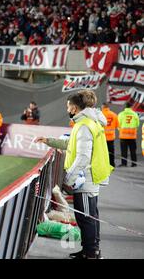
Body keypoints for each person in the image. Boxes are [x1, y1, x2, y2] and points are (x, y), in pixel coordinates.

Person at [36, 93, 113, 259]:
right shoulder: (87, 122)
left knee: (86, 217)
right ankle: (90, 250)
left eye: (67, 105)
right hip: (89, 176)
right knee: (90, 215)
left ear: (74, 107)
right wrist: (48, 140)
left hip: (85, 179)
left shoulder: (84, 125)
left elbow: (83, 157)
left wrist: (68, 179)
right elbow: (71, 144)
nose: (66, 109)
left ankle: (92, 253)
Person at [118, 102, 140, 167]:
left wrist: (121, 130)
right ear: (131, 107)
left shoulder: (121, 114)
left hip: (123, 136)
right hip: (132, 136)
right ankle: (134, 163)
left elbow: (118, 124)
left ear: (125, 107)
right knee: (133, 150)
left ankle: (124, 163)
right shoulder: (135, 114)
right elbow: (137, 124)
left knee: (123, 151)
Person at [101, 103, 119, 167]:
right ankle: (112, 164)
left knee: (103, 152)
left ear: (103, 107)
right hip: (111, 137)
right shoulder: (114, 114)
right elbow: (117, 125)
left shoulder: (100, 115)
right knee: (111, 151)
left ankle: (104, 165)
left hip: (102, 137)